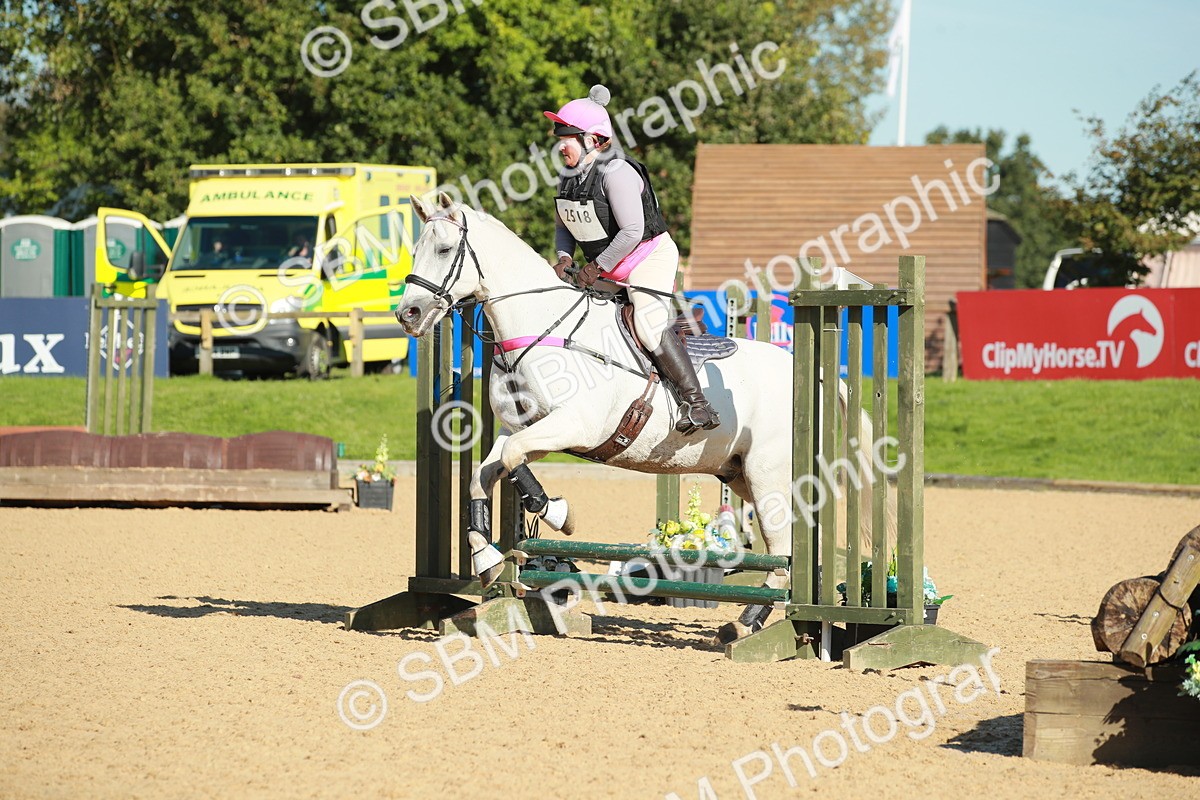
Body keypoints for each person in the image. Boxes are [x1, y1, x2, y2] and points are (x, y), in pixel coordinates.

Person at [544, 85, 720, 434]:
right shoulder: (569, 176)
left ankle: (698, 404)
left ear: (594, 140)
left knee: (648, 323)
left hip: (645, 258)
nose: (560, 144)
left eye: (567, 137)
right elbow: (565, 225)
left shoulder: (617, 172)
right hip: (609, 266)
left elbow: (631, 232)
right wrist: (564, 257)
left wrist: (594, 268)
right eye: (559, 137)